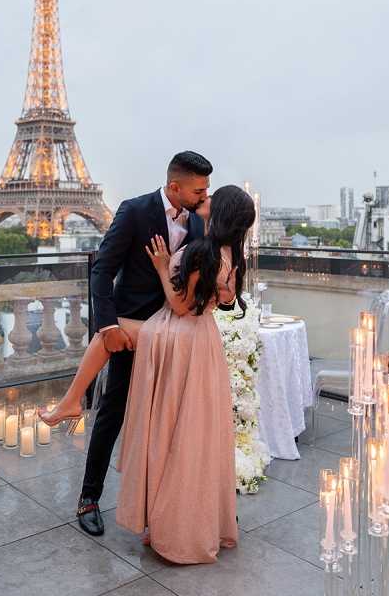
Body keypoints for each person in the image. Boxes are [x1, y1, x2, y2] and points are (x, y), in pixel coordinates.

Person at [40, 182, 256, 564]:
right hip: (195, 340)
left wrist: (161, 267)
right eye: (200, 191)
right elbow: (104, 270)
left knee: (176, 430)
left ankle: (71, 401)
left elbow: (184, 301)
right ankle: (92, 496)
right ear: (177, 185)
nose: (202, 198)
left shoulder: (202, 236)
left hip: (172, 332)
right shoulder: (140, 212)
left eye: (208, 195)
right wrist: (107, 322)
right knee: (133, 414)